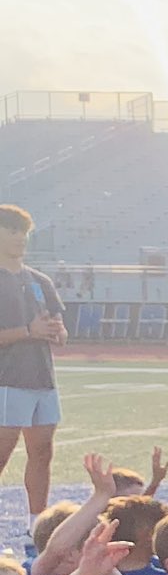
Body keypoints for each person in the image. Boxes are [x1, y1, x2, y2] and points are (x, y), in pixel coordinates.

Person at [0, 203, 66, 523]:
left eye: (23, 232)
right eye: (11, 230)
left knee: (42, 453)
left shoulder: (40, 280)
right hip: (6, 380)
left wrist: (57, 332)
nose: (19, 238)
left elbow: (57, 324)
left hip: (42, 379)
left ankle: (35, 525)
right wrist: (28, 331)